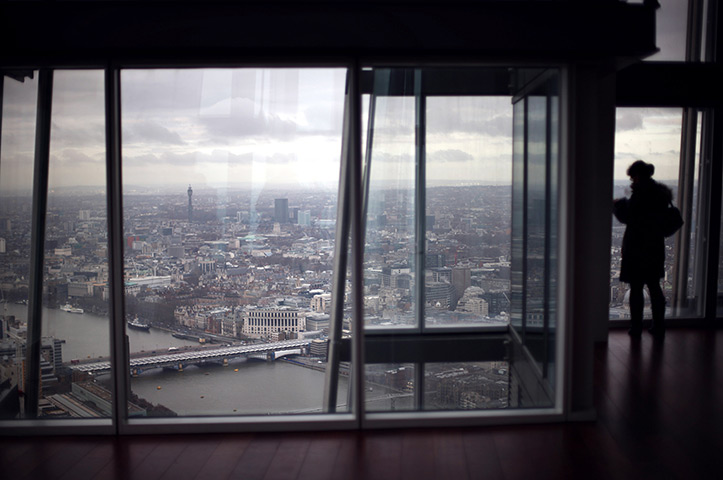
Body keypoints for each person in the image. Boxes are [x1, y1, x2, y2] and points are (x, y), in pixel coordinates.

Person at [613, 160, 672, 338]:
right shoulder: (659, 194)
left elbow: (630, 217)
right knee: (654, 287)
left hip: (637, 247)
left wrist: (618, 205)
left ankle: (636, 326)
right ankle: (658, 325)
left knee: (636, 288)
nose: (631, 181)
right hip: (654, 246)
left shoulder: (640, 194)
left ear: (638, 176)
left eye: (633, 177)